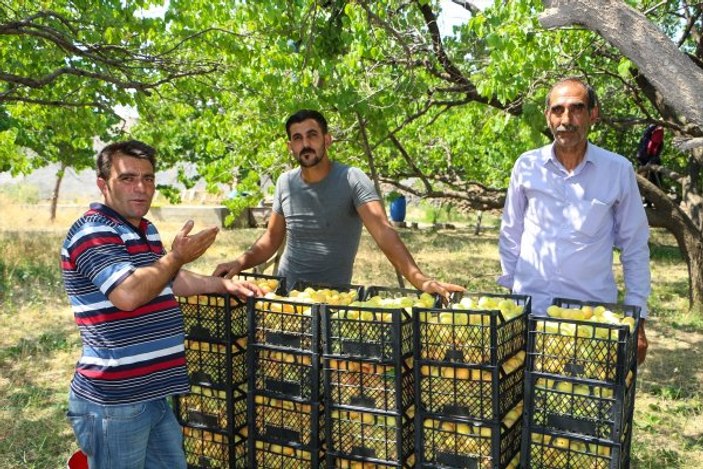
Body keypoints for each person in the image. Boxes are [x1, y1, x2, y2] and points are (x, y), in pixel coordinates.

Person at [61, 140, 263, 468]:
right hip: (114, 401)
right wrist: (176, 256)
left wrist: (222, 284)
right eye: (127, 178)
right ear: (103, 184)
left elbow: (167, 278)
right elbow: (128, 294)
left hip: (153, 394)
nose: (141, 188)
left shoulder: (144, 229)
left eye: (149, 178)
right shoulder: (92, 232)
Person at [213, 109, 463, 298]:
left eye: (312, 135)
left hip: (333, 299)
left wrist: (420, 280)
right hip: (286, 296)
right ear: (291, 147)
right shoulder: (285, 183)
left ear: (327, 140)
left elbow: (383, 232)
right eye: (297, 138)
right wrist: (239, 262)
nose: (305, 144)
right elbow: (271, 239)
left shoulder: (352, 178)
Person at [497, 78, 650, 364]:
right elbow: (510, 233)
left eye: (576, 109)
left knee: (586, 401)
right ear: (547, 116)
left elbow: (635, 247)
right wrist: (511, 302)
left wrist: (637, 317)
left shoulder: (617, 171)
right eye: (557, 110)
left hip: (591, 320)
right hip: (531, 316)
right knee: (526, 404)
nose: (566, 119)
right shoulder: (527, 166)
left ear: (593, 113)